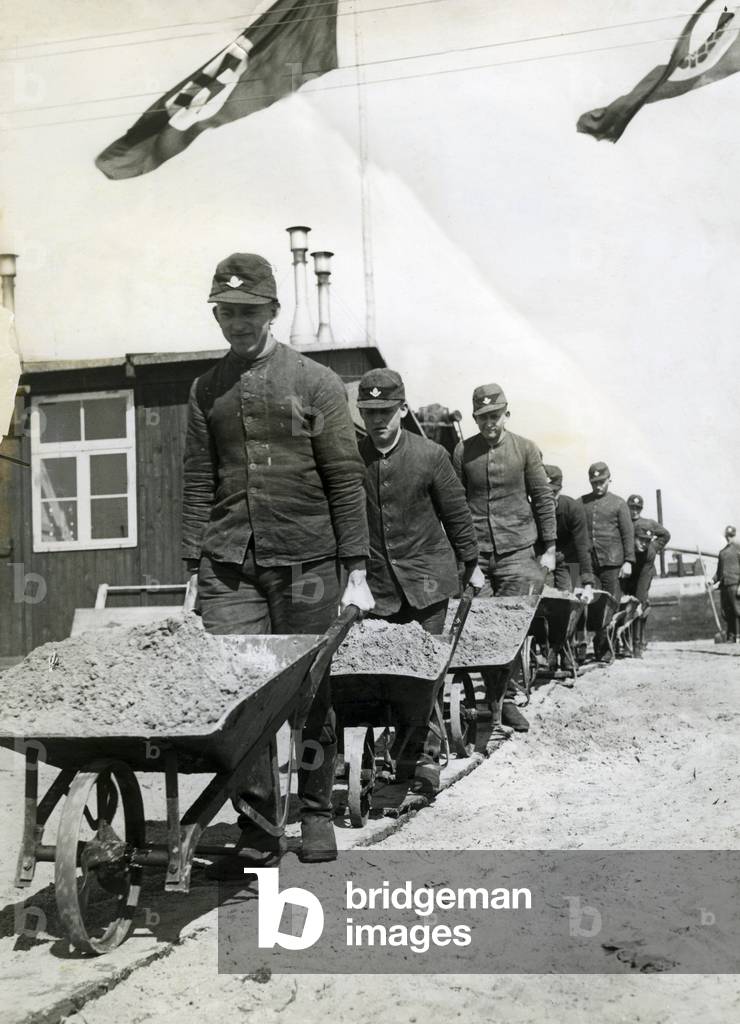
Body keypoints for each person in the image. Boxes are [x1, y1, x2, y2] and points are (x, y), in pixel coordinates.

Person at [181, 252, 374, 869]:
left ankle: (316, 814)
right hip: (229, 564)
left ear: (272, 311)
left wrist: (359, 570)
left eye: (250, 311)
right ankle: (260, 821)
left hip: (307, 561)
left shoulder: (315, 383)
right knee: (236, 695)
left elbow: (346, 478)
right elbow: (196, 481)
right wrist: (193, 568)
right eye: (227, 312)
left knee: (310, 692)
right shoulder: (206, 390)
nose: (238, 322)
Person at [356, 368, 484, 791]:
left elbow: (458, 516)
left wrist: (472, 563)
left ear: (402, 409)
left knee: (422, 675)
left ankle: (422, 758)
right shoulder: (354, 460)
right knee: (381, 675)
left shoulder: (431, 456)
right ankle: (381, 750)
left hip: (428, 582)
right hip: (379, 589)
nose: (378, 421)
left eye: (386, 411)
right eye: (370, 411)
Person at [453, 383, 556, 732]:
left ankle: (505, 699)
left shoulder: (525, 450)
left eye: (495, 415)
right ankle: (491, 698)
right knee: (480, 629)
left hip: (517, 552)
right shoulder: (462, 452)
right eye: (482, 417)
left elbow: (543, 498)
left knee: (511, 629)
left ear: (506, 414)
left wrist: (551, 548)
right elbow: (454, 505)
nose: (489, 423)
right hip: (477, 555)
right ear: (475, 419)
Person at [580, 462, 635, 663]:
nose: (598, 486)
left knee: (610, 608)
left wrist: (628, 561)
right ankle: (594, 650)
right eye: (594, 483)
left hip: (613, 564)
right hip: (590, 565)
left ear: (609, 479)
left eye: (602, 482)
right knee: (592, 607)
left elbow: (628, 534)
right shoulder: (582, 503)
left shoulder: (619, 504)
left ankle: (606, 652)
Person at [623, 494, 671, 656]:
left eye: (638, 508)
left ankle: (638, 644)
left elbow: (665, 534)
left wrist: (655, 546)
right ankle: (623, 642)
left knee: (640, 601)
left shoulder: (648, 523)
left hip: (645, 566)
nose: (635, 511)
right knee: (624, 603)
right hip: (628, 565)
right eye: (632, 507)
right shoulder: (623, 521)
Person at [541, 465, 595, 592]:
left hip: (568, 557)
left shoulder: (573, 509)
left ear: (560, 490)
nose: (548, 499)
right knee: (541, 593)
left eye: (553, 493)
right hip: (543, 555)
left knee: (567, 595)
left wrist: (588, 582)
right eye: (544, 494)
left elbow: (582, 546)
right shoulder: (533, 508)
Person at [711, 526, 740, 643]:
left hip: (735, 585)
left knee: (738, 610)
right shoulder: (722, 553)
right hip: (724, 586)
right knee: (727, 613)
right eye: (728, 536)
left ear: (734, 535)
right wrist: (712, 581)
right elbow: (719, 572)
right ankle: (731, 637)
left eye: (731, 536)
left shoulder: (738, 549)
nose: (729, 538)